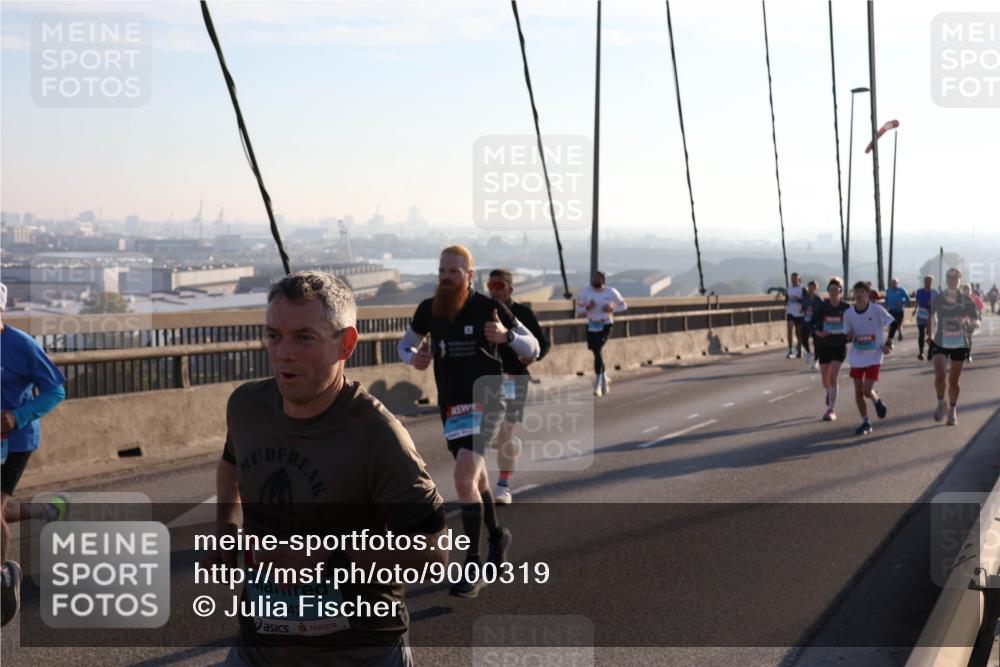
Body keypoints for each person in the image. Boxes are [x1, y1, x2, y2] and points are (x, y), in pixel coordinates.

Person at [214, 271, 447, 665]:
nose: (283, 352)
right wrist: (226, 530)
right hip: (259, 647)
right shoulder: (246, 406)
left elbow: (434, 555)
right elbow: (231, 464)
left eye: (304, 337)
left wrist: (328, 559)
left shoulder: (379, 435)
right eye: (273, 335)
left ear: (346, 344)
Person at [397, 246, 539, 597]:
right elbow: (403, 347)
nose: (446, 277)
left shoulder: (488, 307)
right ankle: (497, 537)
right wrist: (415, 358)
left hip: (488, 400)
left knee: (462, 477)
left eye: (454, 272)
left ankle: (472, 563)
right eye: (442, 270)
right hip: (452, 406)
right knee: (476, 478)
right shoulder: (429, 309)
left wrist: (505, 336)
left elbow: (532, 348)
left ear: (469, 276)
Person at [1, 282, 68, 627]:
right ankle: (46, 510)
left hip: (15, 440)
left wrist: (16, 416)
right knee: (0, 507)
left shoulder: (21, 345)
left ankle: (2, 579)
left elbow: (56, 390)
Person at [486, 269, 550, 505]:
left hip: (515, 378)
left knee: (505, 432)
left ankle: (503, 485)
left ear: (510, 289)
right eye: (490, 285)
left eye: (499, 285)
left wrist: (532, 357)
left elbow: (542, 345)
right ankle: (511, 445)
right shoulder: (482, 312)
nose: (494, 289)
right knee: (484, 437)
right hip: (488, 382)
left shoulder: (522, 313)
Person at [926, 269, 980, 426]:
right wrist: (929, 335)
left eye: (955, 277)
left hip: (959, 343)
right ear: (946, 280)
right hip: (941, 341)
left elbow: (976, 320)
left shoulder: (967, 300)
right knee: (940, 374)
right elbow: (930, 315)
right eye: (949, 277)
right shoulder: (939, 298)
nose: (952, 280)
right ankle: (940, 401)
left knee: (953, 381)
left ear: (960, 280)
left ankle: (952, 410)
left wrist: (970, 325)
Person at [843, 281, 894, 435]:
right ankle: (866, 421)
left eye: (862, 292)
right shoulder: (848, 314)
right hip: (857, 356)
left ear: (868, 294)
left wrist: (889, 342)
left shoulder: (877, 310)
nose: (859, 295)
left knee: (866, 391)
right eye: (856, 291)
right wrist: (849, 336)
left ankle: (876, 399)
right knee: (858, 391)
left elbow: (893, 322)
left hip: (874, 356)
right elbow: (847, 335)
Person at [575, 271, 627, 396]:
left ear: (603, 280)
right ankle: (604, 378)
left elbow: (624, 306)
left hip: (606, 324)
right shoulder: (586, 292)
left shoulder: (611, 291)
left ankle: (598, 385)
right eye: (594, 278)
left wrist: (611, 309)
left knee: (598, 350)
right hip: (592, 325)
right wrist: (588, 307)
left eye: (599, 278)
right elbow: (578, 309)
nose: (596, 280)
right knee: (596, 352)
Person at [812, 278, 850, 421]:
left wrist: (850, 334)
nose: (833, 291)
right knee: (825, 381)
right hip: (824, 345)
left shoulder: (846, 307)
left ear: (840, 291)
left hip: (839, 345)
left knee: (833, 377)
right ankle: (830, 391)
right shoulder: (823, 306)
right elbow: (812, 322)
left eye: (836, 289)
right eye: (831, 289)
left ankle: (831, 409)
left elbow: (854, 322)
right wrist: (817, 332)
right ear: (828, 291)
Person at [801, 280, 824, 369]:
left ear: (816, 288)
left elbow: (822, 311)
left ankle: (816, 361)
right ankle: (809, 353)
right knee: (803, 339)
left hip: (816, 322)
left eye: (813, 288)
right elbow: (803, 308)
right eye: (810, 288)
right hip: (806, 321)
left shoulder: (819, 299)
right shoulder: (805, 298)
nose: (811, 289)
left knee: (816, 342)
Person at [914, 275, 937, 360]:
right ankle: (921, 352)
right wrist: (915, 309)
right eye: (926, 281)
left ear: (932, 282)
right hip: (921, 314)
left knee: (930, 335)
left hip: (930, 315)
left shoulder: (934, 292)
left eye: (929, 281)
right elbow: (917, 301)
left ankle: (930, 351)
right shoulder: (919, 291)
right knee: (921, 334)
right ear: (924, 282)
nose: (927, 283)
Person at [784, 272, 806, 359]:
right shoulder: (788, 289)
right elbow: (786, 300)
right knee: (789, 331)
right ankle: (790, 350)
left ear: (799, 279)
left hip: (800, 313)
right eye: (792, 279)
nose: (793, 280)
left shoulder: (803, 289)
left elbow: (806, 301)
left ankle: (800, 348)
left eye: (795, 279)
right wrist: (786, 304)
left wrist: (798, 299)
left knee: (799, 332)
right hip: (790, 312)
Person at [885, 277, 912, 344]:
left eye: (895, 282)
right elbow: (887, 299)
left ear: (897, 283)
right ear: (890, 283)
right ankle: (889, 339)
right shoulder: (888, 290)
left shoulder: (901, 290)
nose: (893, 284)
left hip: (899, 311)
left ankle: (899, 332)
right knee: (891, 324)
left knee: (898, 324)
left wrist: (902, 302)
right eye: (892, 282)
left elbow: (908, 299)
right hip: (891, 310)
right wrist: (886, 306)